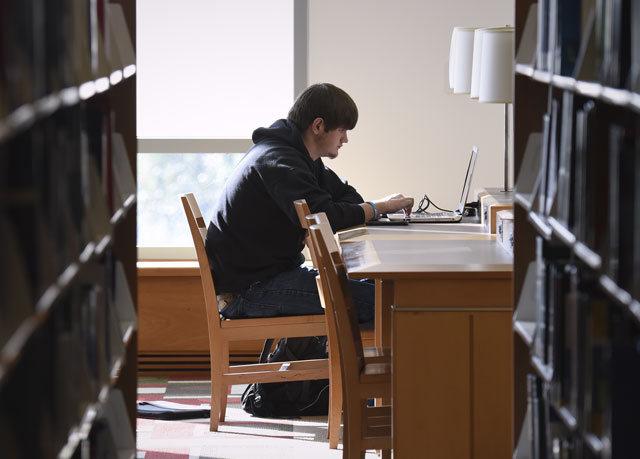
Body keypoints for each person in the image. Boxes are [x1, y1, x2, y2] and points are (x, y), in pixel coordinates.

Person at [205, 83, 413, 323]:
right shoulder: (279, 161)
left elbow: (348, 196)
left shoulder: (300, 157)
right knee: (390, 302)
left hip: (269, 277)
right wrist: (379, 207)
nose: (345, 139)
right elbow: (328, 217)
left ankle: (320, 353)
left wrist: (363, 208)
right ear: (318, 126)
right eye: (342, 130)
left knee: (387, 288)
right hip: (248, 290)